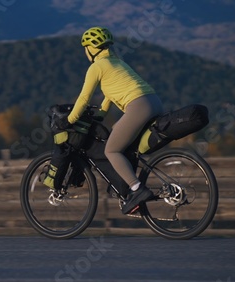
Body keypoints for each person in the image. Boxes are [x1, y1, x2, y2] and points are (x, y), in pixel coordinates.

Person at [56, 27, 164, 214]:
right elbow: (109, 96)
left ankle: (137, 189)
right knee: (117, 134)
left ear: (91, 48)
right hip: (154, 102)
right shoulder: (116, 62)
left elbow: (83, 99)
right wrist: (100, 116)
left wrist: (69, 120)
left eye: (85, 48)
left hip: (138, 106)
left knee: (111, 150)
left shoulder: (96, 67)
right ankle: (128, 187)